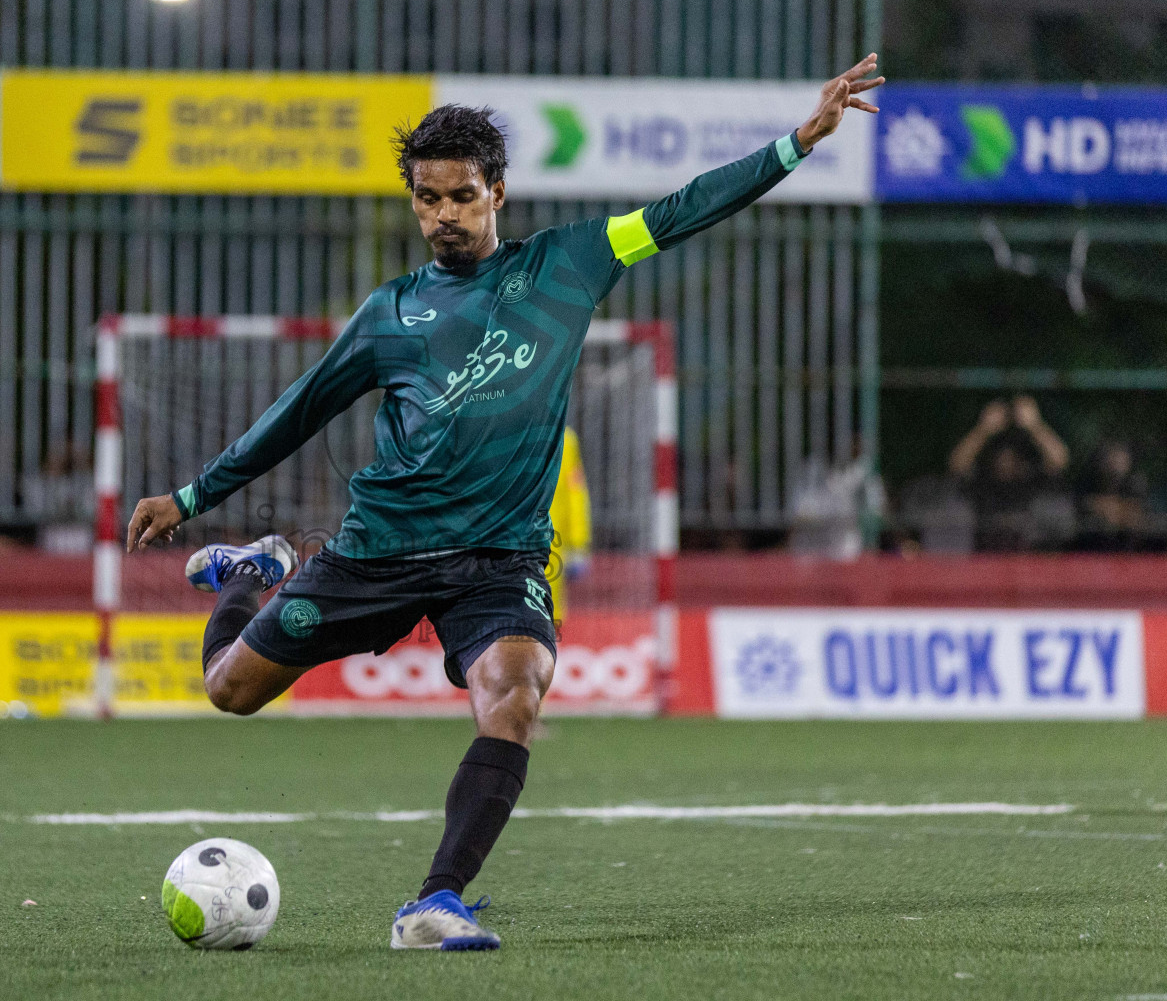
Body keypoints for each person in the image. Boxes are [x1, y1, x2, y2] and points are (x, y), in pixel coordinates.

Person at [126, 55, 884, 951]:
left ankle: (432, 902)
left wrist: (797, 144)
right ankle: (257, 571)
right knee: (230, 693)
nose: (441, 215)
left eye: (458, 196)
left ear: (497, 192)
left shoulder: (571, 263)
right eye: (425, 199)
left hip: (501, 559)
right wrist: (192, 494)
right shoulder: (389, 313)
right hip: (379, 550)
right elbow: (298, 413)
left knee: (516, 695)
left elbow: (683, 209)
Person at [948, 396, 1069, 551]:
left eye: (1011, 457)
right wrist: (983, 429)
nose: (1006, 462)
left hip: (1029, 554)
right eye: (1002, 457)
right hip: (986, 555)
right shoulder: (984, 478)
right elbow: (957, 464)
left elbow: (1060, 460)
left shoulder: (1030, 478)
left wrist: (1035, 426)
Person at [546, 426, 592, 626]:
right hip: (519, 542)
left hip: (551, 543)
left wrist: (578, 542)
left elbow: (575, 493)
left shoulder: (566, 439)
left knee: (548, 616)